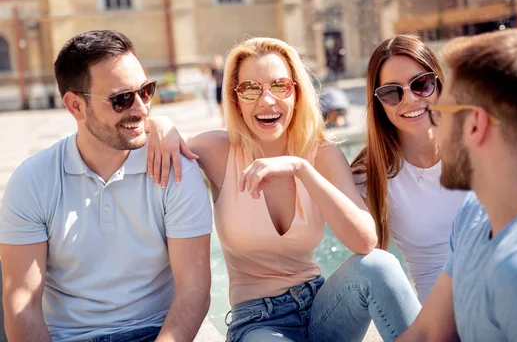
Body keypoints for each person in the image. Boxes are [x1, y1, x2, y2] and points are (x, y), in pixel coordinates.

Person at [146, 37, 421, 342]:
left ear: (296, 93)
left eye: (280, 86)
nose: (266, 101)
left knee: (379, 266)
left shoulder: (321, 155)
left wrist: (301, 169)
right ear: (235, 99)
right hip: (257, 323)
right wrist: (161, 122)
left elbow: (366, 241)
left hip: (322, 309)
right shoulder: (218, 150)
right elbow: (147, 138)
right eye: (250, 89)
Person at [351, 34, 517, 303]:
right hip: (439, 320)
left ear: (439, 84)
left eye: (420, 84)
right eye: (392, 92)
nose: (409, 99)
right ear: (378, 102)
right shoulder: (370, 172)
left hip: (503, 298)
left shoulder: (476, 141)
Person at [0, 30, 213, 342]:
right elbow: (22, 304)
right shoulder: (33, 181)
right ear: (75, 106)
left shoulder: (177, 169)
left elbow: (194, 289)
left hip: (155, 333)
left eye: (146, 91)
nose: (141, 108)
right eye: (121, 99)